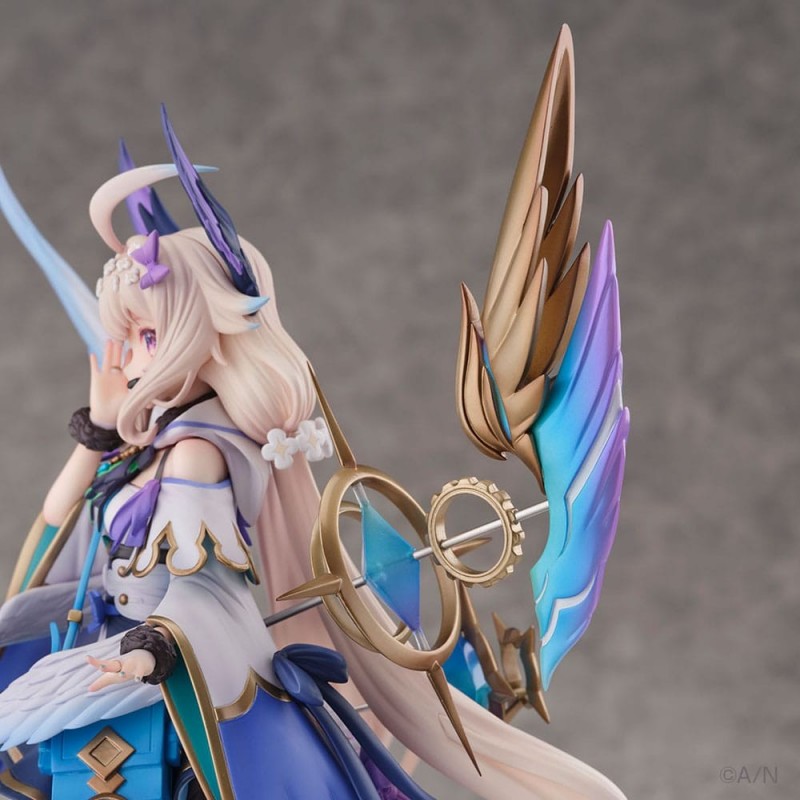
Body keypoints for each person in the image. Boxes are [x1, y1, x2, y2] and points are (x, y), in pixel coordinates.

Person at [0, 90, 627, 800]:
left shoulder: (198, 452)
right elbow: (56, 532)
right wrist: (99, 431)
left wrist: (150, 652)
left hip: (160, 668)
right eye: (129, 337)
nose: (131, 356)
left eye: (146, 336)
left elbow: (208, 591)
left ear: (194, 335)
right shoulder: (147, 445)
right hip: (96, 647)